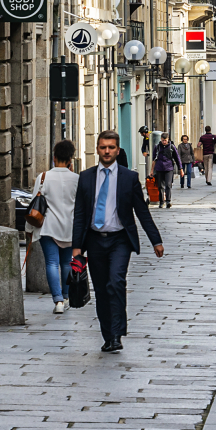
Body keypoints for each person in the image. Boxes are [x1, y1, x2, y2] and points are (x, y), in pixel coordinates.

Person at [72, 130, 164, 353]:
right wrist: (76, 248)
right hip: (94, 240)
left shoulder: (128, 177)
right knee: (102, 290)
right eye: (103, 147)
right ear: (97, 149)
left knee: (115, 282)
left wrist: (156, 241)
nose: (107, 151)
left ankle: (117, 334)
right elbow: (80, 214)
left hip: (120, 240)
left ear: (117, 150)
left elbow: (142, 211)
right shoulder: (85, 177)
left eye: (111, 147)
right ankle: (108, 336)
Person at [29, 140, 80, 314]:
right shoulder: (76, 179)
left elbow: (34, 204)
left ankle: (57, 300)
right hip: (70, 227)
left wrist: (29, 232)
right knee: (67, 262)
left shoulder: (43, 177)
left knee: (51, 263)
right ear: (70, 160)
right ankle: (66, 297)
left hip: (49, 227)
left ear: (54, 157)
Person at [151, 134, 182, 208]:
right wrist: (152, 171)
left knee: (168, 185)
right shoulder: (157, 147)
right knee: (160, 186)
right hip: (159, 168)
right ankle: (161, 202)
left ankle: (168, 201)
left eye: (165, 140)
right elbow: (154, 160)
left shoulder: (172, 147)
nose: (164, 142)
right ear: (161, 139)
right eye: (162, 140)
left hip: (169, 168)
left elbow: (177, 158)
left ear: (168, 139)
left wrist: (181, 169)